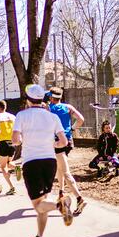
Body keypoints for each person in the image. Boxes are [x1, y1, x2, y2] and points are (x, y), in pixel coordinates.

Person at [12, 84, 74, 237]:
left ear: (27, 100)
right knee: (43, 201)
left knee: (39, 205)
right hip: (50, 161)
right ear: (42, 99)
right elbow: (63, 142)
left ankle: (60, 206)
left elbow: (15, 140)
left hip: (32, 162)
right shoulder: (52, 117)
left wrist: (24, 140)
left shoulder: (21, 115)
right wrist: (50, 143)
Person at [48, 86, 88, 216]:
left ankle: (79, 198)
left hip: (57, 141)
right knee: (60, 168)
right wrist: (71, 129)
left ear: (51, 97)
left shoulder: (49, 109)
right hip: (68, 140)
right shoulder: (68, 107)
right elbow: (81, 119)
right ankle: (61, 192)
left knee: (65, 172)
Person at [0, 100, 17, 195]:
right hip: (11, 143)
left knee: (3, 167)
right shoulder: (12, 116)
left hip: (2, 142)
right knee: (8, 163)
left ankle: (12, 187)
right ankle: (17, 167)